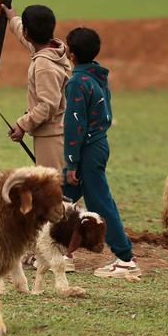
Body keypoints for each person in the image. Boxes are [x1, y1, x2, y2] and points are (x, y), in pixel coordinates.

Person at [61, 26, 138, 278]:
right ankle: (59, 252)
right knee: (62, 198)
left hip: (87, 150)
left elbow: (74, 124)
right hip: (98, 144)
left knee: (100, 203)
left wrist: (72, 162)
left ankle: (125, 258)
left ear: (71, 53)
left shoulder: (76, 83)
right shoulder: (97, 76)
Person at [1, 4, 72, 171]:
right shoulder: (53, 49)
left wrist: (22, 125)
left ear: (27, 32)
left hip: (51, 137)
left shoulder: (44, 65)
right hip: (58, 131)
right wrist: (13, 19)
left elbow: (48, 105)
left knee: (53, 190)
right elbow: (25, 37)